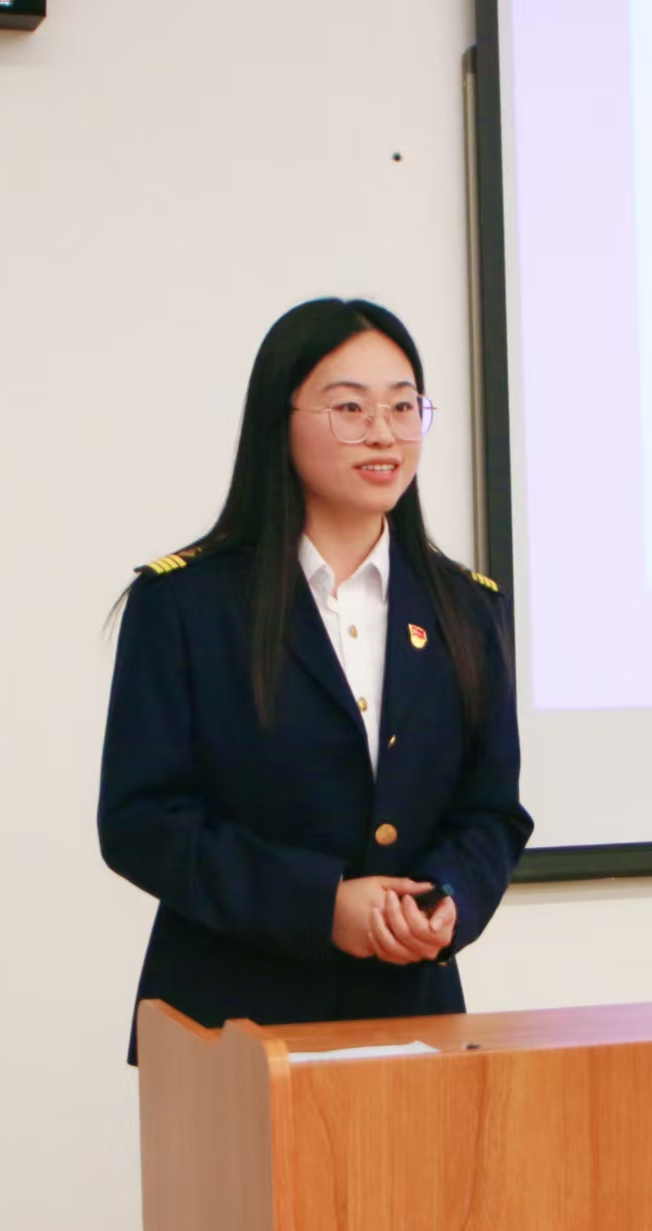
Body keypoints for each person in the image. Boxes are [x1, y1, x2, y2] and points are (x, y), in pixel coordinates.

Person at [98, 297, 533, 1063]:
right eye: (350, 408)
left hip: (412, 1017)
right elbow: (143, 822)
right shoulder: (187, 603)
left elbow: (490, 812)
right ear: (281, 420)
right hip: (229, 1028)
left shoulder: (467, 608)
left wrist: (447, 902)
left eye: (404, 407)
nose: (384, 433)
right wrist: (319, 904)